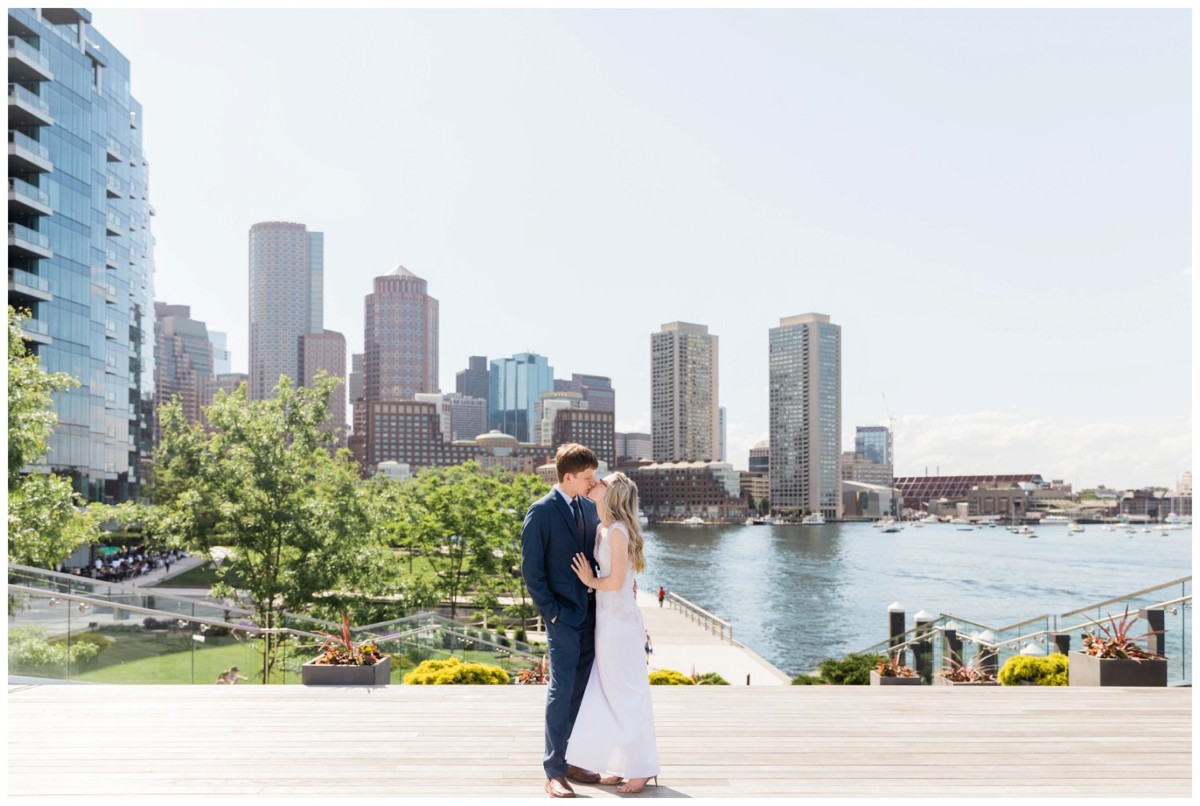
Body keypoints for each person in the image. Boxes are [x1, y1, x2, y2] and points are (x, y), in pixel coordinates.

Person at [565, 472, 661, 794]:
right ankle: (621, 763)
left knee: (628, 693)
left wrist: (589, 580)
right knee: (609, 693)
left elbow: (617, 581)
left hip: (620, 625)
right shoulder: (602, 528)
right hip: (606, 622)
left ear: (613, 491)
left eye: (601, 481)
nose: (595, 483)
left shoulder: (617, 531)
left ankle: (643, 768)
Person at [521, 443, 603, 799]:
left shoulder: (589, 506)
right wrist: (551, 613)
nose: (593, 482)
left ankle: (573, 759)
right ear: (567, 477)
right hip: (563, 618)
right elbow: (532, 572)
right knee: (562, 690)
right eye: (587, 477)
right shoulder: (540, 512)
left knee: (583, 691)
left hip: (593, 615)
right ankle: (554, 770)